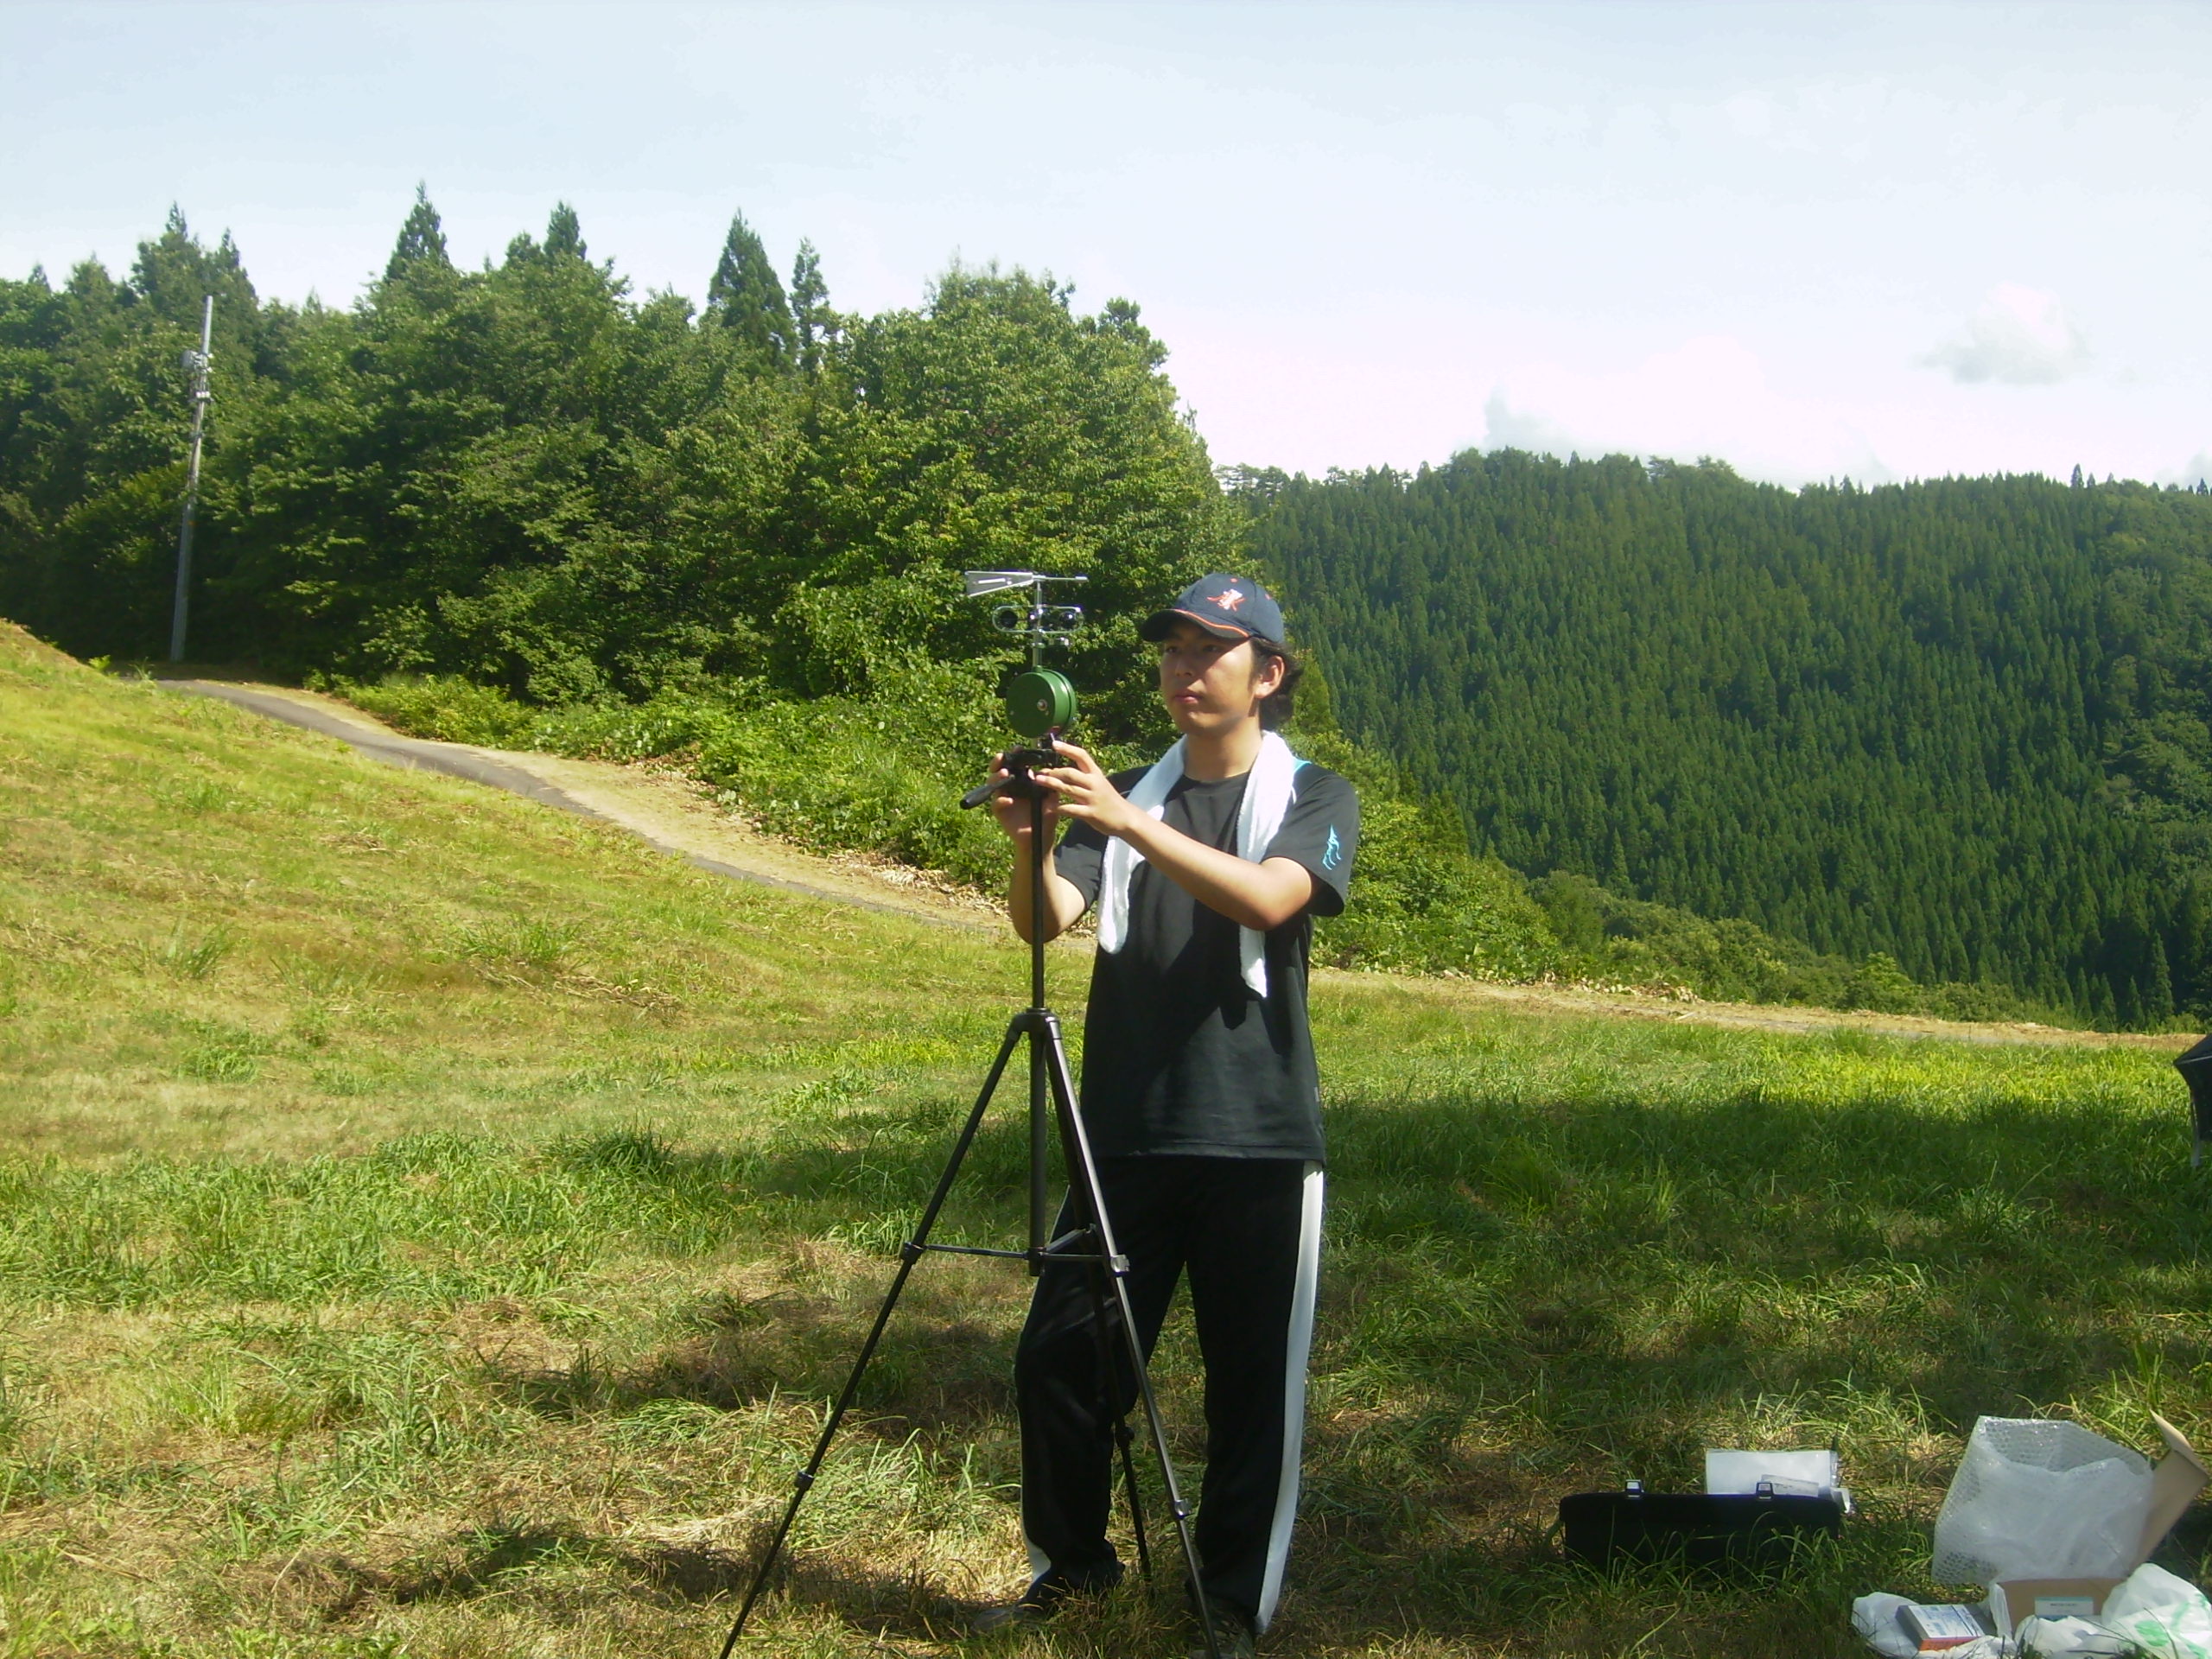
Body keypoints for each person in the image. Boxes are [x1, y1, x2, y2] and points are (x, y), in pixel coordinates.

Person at [976, 573, 1359, 1657]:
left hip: (1259, 1138)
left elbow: (1271, 898)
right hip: (1127, 1131)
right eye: (1172, 651)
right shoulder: (1131, 796)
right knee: (1059, 1359)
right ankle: (1073, 1574)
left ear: (1267, 674)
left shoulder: (1316, 795)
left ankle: (1229, 1611)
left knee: (1250, 1396)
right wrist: (1033, 837)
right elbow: (1046, 920)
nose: (1186, 670)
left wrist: (1124, 823)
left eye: (1212, 651)